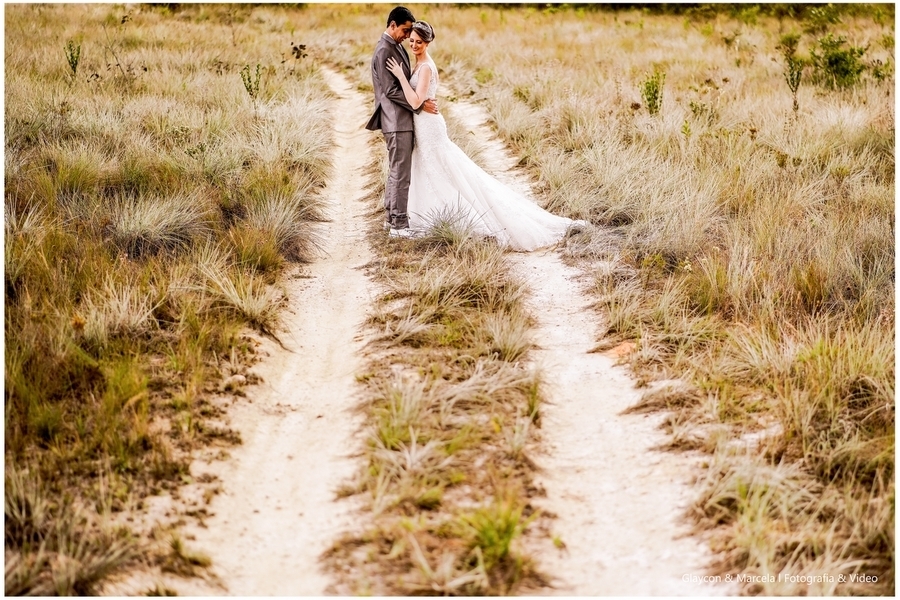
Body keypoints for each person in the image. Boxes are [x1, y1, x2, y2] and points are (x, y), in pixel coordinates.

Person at [385, 21, 586, 251]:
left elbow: (415, 100)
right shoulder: (419, 64)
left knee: (443, 172)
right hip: (423, 125)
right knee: (432, 171)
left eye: (419, 42)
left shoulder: (427, 67)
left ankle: (463, 219)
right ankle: (422, 215)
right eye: (411, 41)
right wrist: (419, 101)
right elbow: (419, 102)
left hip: (430, 129)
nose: (414, 46)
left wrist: (401, 77)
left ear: (428, 42)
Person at [365, 6, 439, 239]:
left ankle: (391, 219)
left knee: (396, 171)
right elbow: (390, 90)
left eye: (412, 34)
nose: (408, 36)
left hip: (400, 121)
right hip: (396, 121)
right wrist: (419, 104)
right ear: (393, 25)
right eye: (406, 31)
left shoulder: (393, 47)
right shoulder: (385, 50)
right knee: (401, 174)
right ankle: (398, 225)